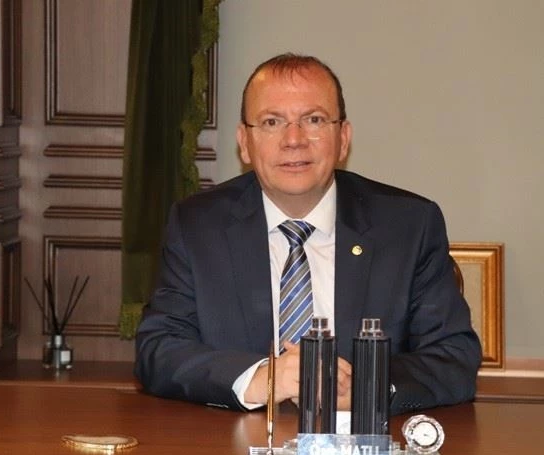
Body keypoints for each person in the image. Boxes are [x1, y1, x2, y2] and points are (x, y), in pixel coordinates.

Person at [135, 53, 482, 414]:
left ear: (343, 138)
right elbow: (159, 348)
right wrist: (263, 378)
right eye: (272, 122)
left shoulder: (409, 226)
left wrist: (367, 386)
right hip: (234, 442)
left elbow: (453, 357)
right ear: (244, 142)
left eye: (313, 119)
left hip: (360, 443)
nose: (294, 139)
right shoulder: (197, 226)